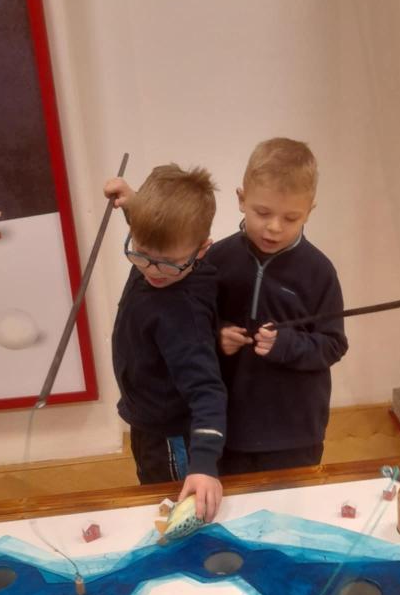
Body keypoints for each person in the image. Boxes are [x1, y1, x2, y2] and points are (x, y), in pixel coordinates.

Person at [209, 138, 348, 474]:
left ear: (309, 211)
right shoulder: (217, 259)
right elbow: (194, 323)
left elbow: (333, 344)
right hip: (227, 425)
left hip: (295, 432)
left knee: (290, 502)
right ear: (241, 199)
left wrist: (286, 344)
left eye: (291, 218)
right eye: (263, 213)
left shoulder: (319, 271)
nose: (274, 227)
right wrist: (218, 334)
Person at [104, 164, 226, 519]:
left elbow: (208, 391)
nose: (151, 270)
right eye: (140, 253)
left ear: (201, 250)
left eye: (168, 263)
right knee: (151, 490)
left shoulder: (182, 315)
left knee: (174, 505)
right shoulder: (161, 255)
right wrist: (133, 205)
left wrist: (203, 465)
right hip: (146, 418)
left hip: (173, 436)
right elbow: (154, 234)